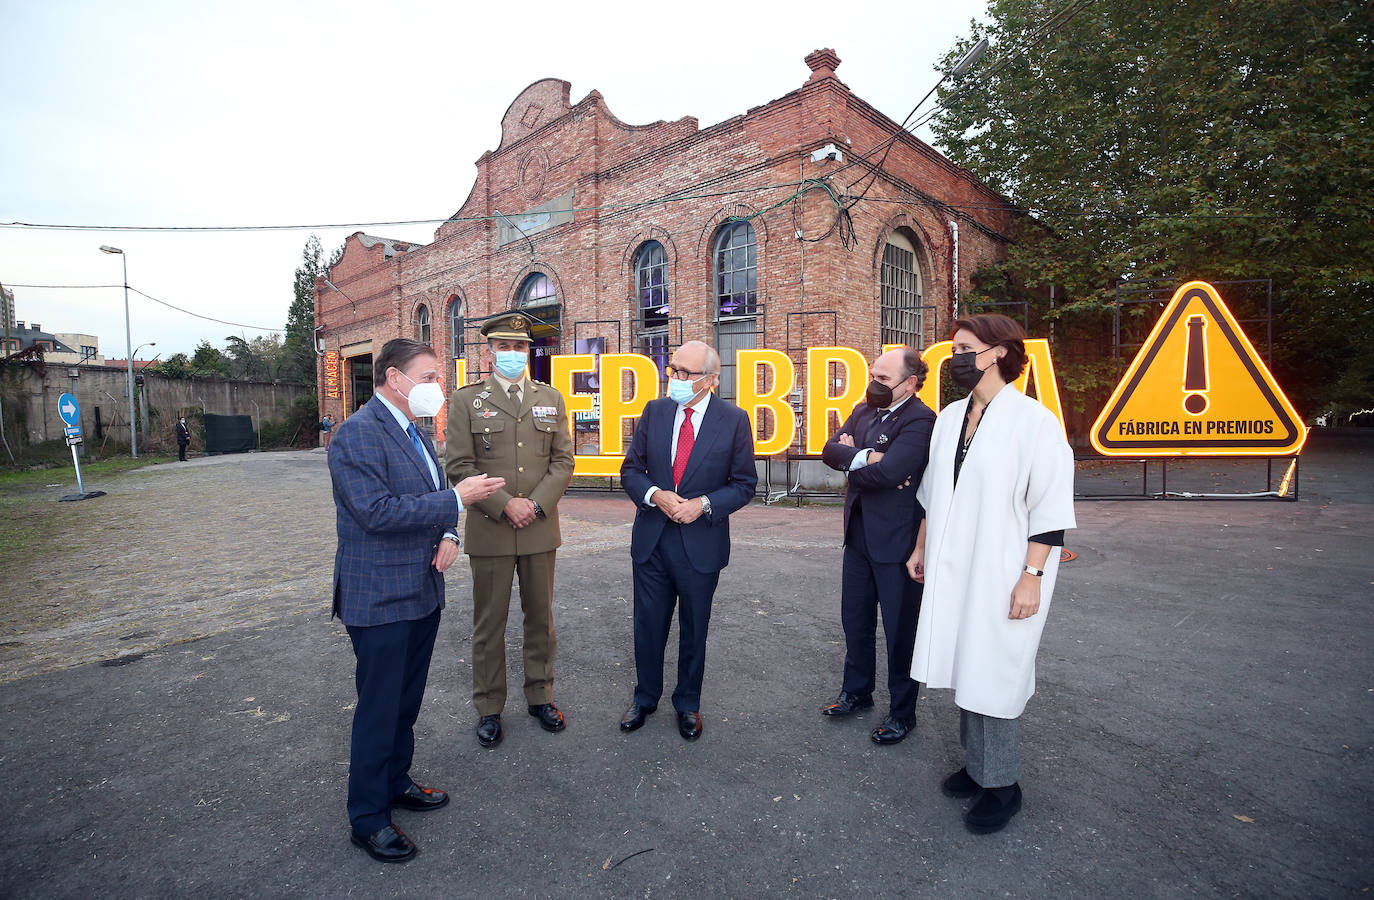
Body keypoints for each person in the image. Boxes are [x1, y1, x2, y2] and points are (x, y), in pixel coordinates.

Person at [330, 338, 505, 862]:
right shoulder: (356, 434)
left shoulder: (415, 432)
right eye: (429, 377)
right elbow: (377, 511)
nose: (438, 386)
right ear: (393, 378)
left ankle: (395, 783)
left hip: (421, 590)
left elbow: (432, 494)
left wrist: (451, 533)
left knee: (404, 703)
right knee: (379, 708)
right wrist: (457, 500)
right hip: (380, 596)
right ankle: (367, 817)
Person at [905, 314, 1076, 834]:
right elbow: (936, 490)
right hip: (955, 565)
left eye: (963, 347)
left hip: (1006, 570)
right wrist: (920, 548)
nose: (952, 356)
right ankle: (978, 768)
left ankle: (1003, 786)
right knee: (967, 664)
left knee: (997, 673)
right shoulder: (953, 417)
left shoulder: (1034, 422)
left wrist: (1032, 575)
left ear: (998, 353)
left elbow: (1050, 507)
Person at [445, 312, 575, 749]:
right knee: (489, 623)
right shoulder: (467, 401)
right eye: (505, 347)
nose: (513, 354)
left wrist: (534, 505)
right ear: (490, 351)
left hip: (539, 528)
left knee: (541, 618)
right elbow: (459, 466)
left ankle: (540, 696)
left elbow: (562, 461)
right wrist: (505, 506)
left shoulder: (552, 398)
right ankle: (488, 707)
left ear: (528, 351)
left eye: (520, 347)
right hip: (491, 528)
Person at [618, 340, 757, 741]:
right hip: (652, 542)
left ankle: (688, 704)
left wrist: (704, 504)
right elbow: (632, 471)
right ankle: (645, 698)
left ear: (711, 380)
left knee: (695, 629)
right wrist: (655, 495)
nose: (673, 378)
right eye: (672, 369)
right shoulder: (656, 411)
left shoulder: (733, 419)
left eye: (684, 373)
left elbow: (744, 484)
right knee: (648, 626)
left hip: (700, 544)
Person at [820, 347, 936, 744]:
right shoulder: (864, 409)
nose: (874, 384)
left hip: (898, 544)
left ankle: (903, 713)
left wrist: (857, 463)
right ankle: (857, 692)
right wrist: (868, 458)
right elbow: (829, 451)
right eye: (873, 375)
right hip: (858, 538)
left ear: (910, 383)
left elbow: (891, 474)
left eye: (883, 379)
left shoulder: (921, 420)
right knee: (856, 621)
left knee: (900, 631)